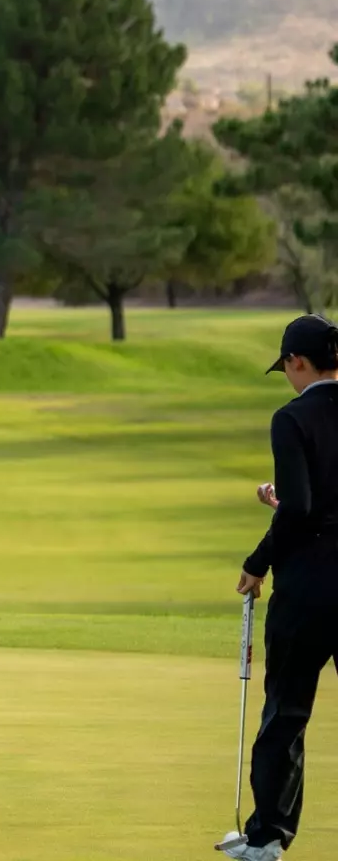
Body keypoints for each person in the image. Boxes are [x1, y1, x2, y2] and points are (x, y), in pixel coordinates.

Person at [227, 315, 338, 860]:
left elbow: (301, 507)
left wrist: (257, 562)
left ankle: (269, 836)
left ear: (296, 362)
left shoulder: (291, 417)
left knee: (287, 713)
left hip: (309, 588)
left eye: (287, 368)